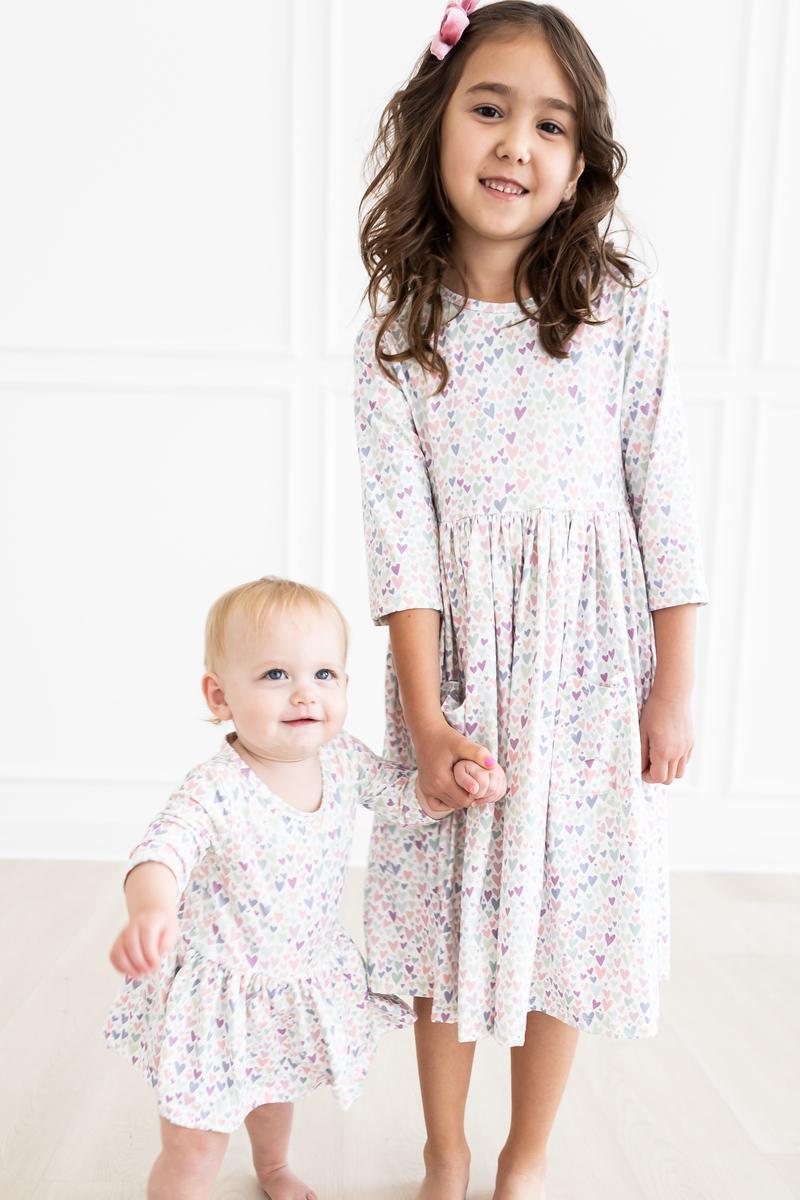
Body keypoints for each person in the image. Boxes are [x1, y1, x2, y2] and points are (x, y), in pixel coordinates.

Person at [352, 3, 711, 1198]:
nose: (515, 143)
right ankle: (444, 1152)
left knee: (568, 920)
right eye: (489, 109)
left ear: (579, 161)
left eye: (549, 125)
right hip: (460, 676)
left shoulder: (617, 313)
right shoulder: (397, 337)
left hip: (590, 677)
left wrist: (673, 689)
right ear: (434, 124)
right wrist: (424, 722)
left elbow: (662, 505)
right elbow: (400, 552)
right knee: (443, 919)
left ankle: (525, 1157)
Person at [103, 575, 506, 1200]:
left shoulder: (342, 758)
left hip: (290, 979)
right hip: (219, 994)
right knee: (195, 1146)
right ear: (220, 695)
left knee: (274, 1090)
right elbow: (161, 851)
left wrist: (455, 785)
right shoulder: (216, 787)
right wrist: (152, 909)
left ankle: (272, 1168)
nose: (304, 693)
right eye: (275, 675)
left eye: (324, 674)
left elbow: (404, 796)